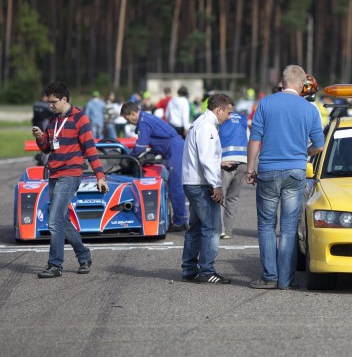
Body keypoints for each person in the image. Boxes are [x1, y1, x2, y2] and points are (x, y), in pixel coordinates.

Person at [246, 65, 325, 290]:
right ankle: (286, 279)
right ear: (301, 84)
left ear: (282, 82)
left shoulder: (265, 103)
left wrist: (250, 169)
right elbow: (319, 146)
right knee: (289, 227)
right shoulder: (310, 109)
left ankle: (269, 276)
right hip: (296, 171)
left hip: (268, 170)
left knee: (266, 224)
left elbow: (255, 138)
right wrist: (303, 153)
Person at [31, 81, 108, 278]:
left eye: (53, 102)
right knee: (61, 220)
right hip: (54, 173)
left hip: (70, 174)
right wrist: (40, 137)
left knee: (54, 221)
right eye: (49, 102)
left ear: (64, 99)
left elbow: (90, 149)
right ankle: (84, 255)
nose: (51, 105)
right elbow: (47, 148)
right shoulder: (53, 119)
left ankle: (55, 265)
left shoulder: (81, 119)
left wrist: (100, 176)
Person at [181, 94, 235, 284]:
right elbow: (206, 158)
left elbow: (203, 156)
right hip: (201, 183)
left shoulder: (199, 123)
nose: (229, 116)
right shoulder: (207, 127)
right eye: (228, 112)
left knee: (195, 227)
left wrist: (220, 163)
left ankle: (189, 269)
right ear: (218, 110)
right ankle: (206, 270)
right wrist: (216, 185)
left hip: (193, 181)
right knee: (212, 228)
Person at [120, 101, 189, 231]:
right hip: (174, 148)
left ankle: (181, 222)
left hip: (175, 149)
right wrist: (147, 157)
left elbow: (140, 146)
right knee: (174, 186)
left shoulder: (143, 122)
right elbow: (159, 141)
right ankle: (181, 219)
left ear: (133, 113)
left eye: (127, 118)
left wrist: (128, 159)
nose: (128, 122)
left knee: (176, 187)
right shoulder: (146, 119)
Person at [219, 109, 250, 239]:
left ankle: (219, 229)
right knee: (233, 197)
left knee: (219, 196)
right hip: (243, 160)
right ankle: (228, 230)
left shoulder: (220, 118)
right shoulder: (243, 118)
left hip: (225, 161)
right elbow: (248, 139)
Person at [32, 91, 54, 166]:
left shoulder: (36, 104)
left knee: (42, 144)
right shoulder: (47, 106)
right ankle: (45, 161)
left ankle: (41, 159)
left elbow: (34, 118)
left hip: (37, 126)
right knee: (48, 145)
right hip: (45, 127)